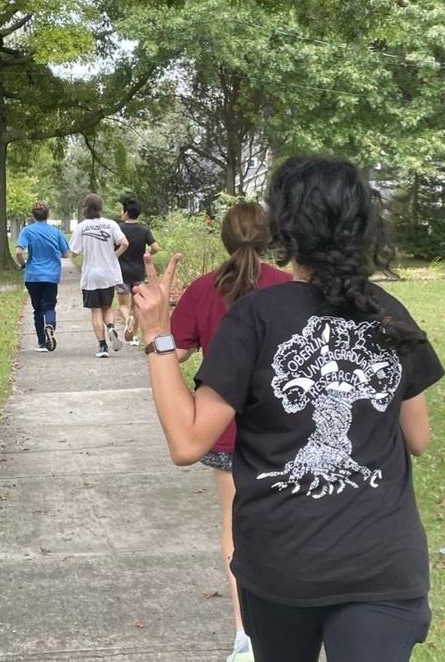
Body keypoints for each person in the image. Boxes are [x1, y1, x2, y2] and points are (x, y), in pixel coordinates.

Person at [133, 156, 444, 662]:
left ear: (286, 229)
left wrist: (156, 336)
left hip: (281, 564)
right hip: (384, 565)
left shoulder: (254, 317)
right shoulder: (391, 315)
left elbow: (189, 442)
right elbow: (418, 438)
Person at [170, 202, 291, 662]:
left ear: (224, 239)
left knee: (235, 526)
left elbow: (176, 354)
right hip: (285, 430)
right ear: (268, 238)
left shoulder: (203, 289)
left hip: (224, 433)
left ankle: (245, 636)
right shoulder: (290, 288)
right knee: (288, 521)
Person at [70, 193, 129, 358]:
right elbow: (125, 243)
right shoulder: (111, 224)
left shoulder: (82, 227)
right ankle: (110, 327)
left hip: (91, 275)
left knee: (95, 311)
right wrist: (114, 255)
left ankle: (102, 346)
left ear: (85, 208)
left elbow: (74, 252)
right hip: (109, 274)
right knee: (107, 307)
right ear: (100, 208)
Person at [15, 201, 71, 352]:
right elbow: (66, 253)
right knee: (50, 306)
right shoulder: (56, 232)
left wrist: (23, 264)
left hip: (33, 275)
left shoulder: (27, 231)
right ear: (48, 214)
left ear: (33, 215)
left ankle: (41, 342)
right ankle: (50, 326)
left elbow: (19, 251)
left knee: (37, 309)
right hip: (51, 275)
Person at [117, 197, 159, 345]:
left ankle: (127, 318)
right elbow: (155, 247)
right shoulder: (144, 230)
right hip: (139, 272)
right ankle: (134, 335)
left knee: (123, 305)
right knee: (137, 305)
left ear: (127, 213)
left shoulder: (118, 229)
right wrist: (147, 255)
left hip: (121, 272)